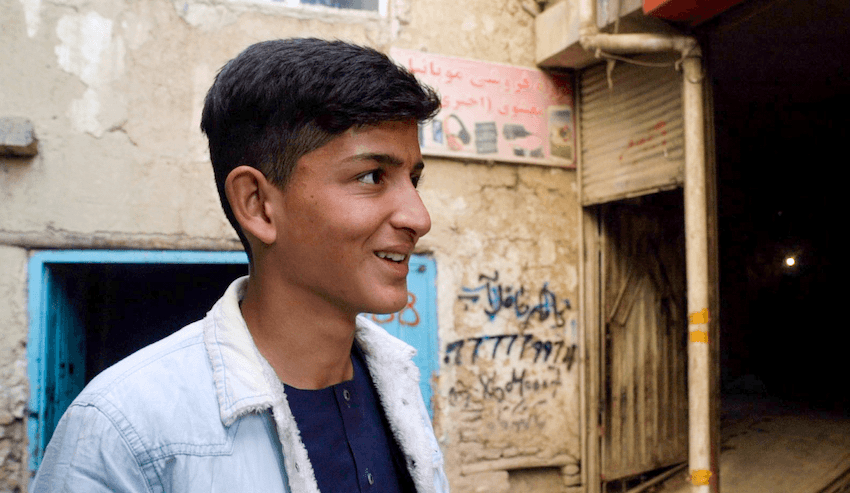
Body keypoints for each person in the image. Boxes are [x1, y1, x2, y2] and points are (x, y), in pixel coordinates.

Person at [32, 38, 448, 493]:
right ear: (258, 205)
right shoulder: (122, 428)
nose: (419, 218)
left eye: (414, 179)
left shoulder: (398, 384)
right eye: (372, 177)